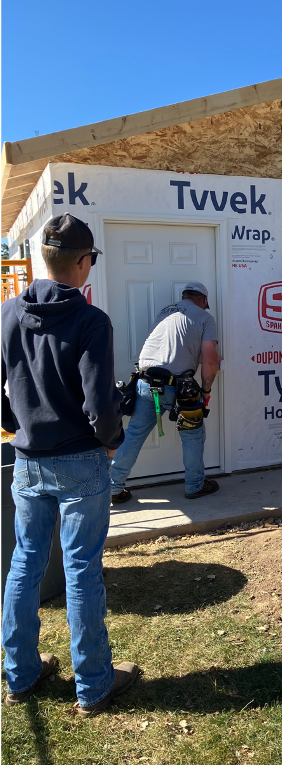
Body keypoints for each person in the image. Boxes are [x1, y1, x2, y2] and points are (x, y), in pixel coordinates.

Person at [1, 213, 139, 717]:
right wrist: (111, 442)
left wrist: (17, 425)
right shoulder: (90, 320)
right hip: (81, 459)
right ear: (81, 263)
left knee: (25, 561)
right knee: (81, 570)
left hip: (28, 460)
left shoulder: (7, 313)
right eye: (91, 260)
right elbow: (101, 404)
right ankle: (93, 685)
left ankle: (20, 674)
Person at [110, 282, 220, 502]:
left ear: (184, 297)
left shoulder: (165, 312)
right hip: (179, 387)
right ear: (204, 300)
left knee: (133, 435)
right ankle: (195, 485)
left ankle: (113, 488)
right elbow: (210, 359)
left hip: (146, 383)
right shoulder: (205, 317)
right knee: (192, 435)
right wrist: (206, 390)